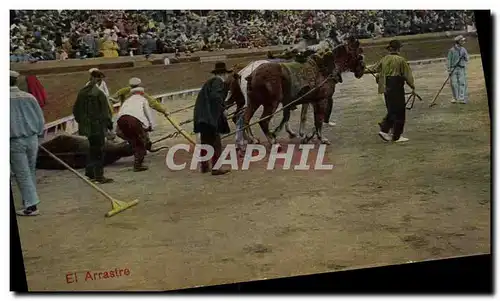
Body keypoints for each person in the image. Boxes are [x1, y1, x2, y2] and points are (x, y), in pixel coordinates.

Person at [365, 40, 416, 143]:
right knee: (399, 111)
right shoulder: (401, 60)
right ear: (398, 49)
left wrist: (362, 69)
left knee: (392, 109)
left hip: (385, 86)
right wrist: (413, 86)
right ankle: (393, 133)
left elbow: (373, 69)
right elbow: (407, 75)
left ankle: (388, 130)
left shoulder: (384, 59)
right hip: (396, 85)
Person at [10, 70, 45, 216]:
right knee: (29, 171)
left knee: (22, 173)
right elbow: (40, 119)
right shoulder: (29, 97)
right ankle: (29, 200)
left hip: (14, 141)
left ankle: (31, 206)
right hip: (32, 138)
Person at [73, 70, 114, 184]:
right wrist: (109, 126)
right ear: (99, 80)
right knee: (99, 151)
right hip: (97, 127)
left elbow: (76, 110)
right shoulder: (100, 93)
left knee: (92, 149)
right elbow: (105, 113)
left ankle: (90, 174)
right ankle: (99, 176)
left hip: (86, 128)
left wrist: (82, 123)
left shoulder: (81, 92)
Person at [193, 62, 232, 176]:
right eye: (226, 74)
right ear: (224, 74)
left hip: (202, 117)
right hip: (209, 118)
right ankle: (216, 167)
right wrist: (223, 108)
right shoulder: (218, 82)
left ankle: (205, 166)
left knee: (206, 142)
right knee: (216, 143)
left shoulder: (209, 82)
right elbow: (215, 96)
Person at [116, 86, 155, 172]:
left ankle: (136, 152)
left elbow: (120, 113)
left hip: (121, 120)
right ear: (141, 93)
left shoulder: (127, 100)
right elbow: (148, 113)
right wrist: (151, 126)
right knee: (140, 142)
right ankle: (138, 165)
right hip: (133, 120)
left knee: (133, 139)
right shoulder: (143, 100)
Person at [447, 35, 469, 104]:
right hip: (453, 68)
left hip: (461, 68)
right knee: (454, 84)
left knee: (462, 83)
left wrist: (464, 57)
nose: (463, 42)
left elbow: (467, 58)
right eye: (462, 41)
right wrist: (449, 69)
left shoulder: (463, 49)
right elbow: (449, 60)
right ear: (458, 42)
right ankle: (455, 98)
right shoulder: (452, 50)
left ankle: (461, 98)